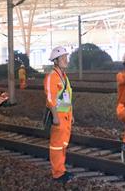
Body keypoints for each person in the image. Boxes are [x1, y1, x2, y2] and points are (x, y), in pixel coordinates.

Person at [45, 46, 73, 182]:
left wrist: (71, 114)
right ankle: (57, 173)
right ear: (55, 61)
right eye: (63, 58)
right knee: (57, 146)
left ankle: (61, 169)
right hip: (58, 116)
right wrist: (55, 116)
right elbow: (50, 98)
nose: (66, 60)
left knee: (63, 144)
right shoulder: (52, 77)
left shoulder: (64, 77)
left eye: (66, 57)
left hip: (66, 115)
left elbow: (67, 96)